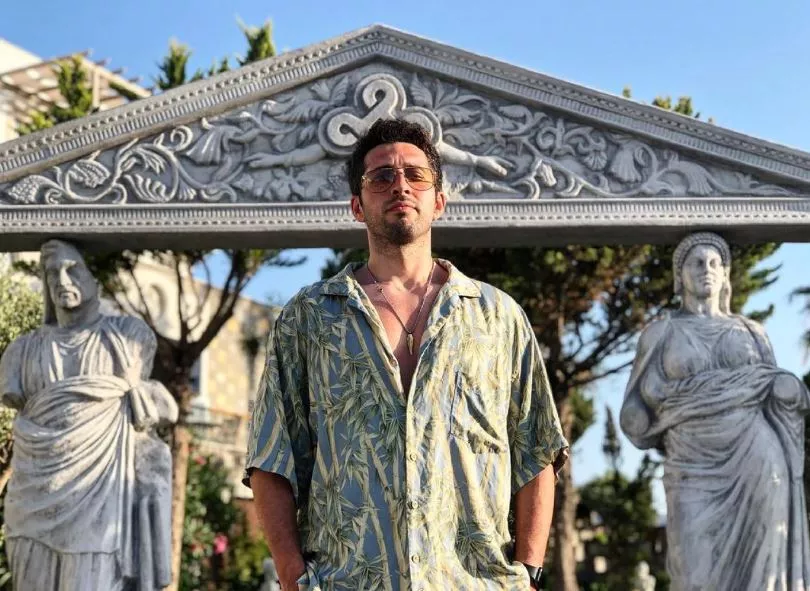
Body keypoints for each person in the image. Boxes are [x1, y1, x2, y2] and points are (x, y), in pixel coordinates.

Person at [245, 118, 568, 591]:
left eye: (416, 175)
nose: (400, 185)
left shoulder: (499, 318)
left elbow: (536, 449)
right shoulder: (308, 318)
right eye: (381, 176)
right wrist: (294, 578)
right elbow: (271, 457)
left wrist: (529, 573)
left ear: (439, 201)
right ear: (357, 205)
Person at [620, 232, 810, 591]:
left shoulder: (753, 332)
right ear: (679, 276)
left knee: (762, 574)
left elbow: (774, 390)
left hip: (756, 457)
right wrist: (638, 418)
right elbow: (635, 405)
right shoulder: (660, 334)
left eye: (713, 263)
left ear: (725, 274)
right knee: (694, 574)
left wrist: (788, 389)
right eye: (696, 263)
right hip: (690, 462)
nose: (705, 269)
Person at [0, 239, 176, 591]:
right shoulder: (22, 352)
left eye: (73, 269)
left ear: (96, 281)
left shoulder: (127, 338)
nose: (62, 281)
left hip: (98, 494)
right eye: (52, 273)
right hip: (31, 497)